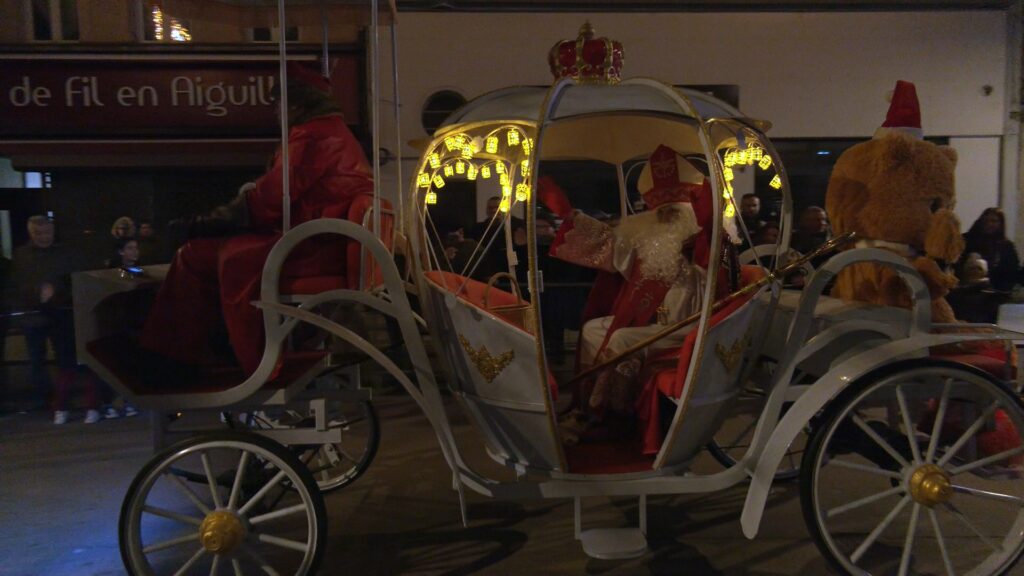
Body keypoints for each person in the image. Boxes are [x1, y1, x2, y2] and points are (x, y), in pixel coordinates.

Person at [140, 61, 374, 377]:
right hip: (323, 245)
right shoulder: (335, 133)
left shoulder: (312, 137)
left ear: (295, 102)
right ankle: (208, 350)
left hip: (309, 250)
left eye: (278, 103)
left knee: (194, 256)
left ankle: (180, 356)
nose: (275, 111)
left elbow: (269, 200)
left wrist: (207, 222)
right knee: (219, 254)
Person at [540, 145, 718, 419]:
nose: (665, 220)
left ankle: (613, 411)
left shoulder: (705, 241)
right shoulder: (648, 244)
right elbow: (606, 243)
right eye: (660, 214)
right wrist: (567, 214)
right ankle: (591, 397)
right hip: (652, 324)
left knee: (622, 338)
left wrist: (703, 238)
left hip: (691, 326)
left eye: (673, 213)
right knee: (592, 330)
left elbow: (715, 261)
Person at [7, 216, 100, 424]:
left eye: (47, 232)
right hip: (34, 316)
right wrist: (36, 293)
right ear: (31, 233)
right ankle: (46, 400)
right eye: (38, 233)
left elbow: (75, 281)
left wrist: (56, 291)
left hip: (61, 315)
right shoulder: (21, 256)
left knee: (67, 359)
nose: (43, 237)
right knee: (36, 361)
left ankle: (67, 402)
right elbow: (17, 286)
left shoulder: (65, 254)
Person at [957, 208, 1020, 292]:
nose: (989, 224)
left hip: (996, 292)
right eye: (986, 220)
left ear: (1001, 224)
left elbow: (1012, 272)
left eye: (994, 221)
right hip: (966, 290)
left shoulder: (1007, 246)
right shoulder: (965, 240)